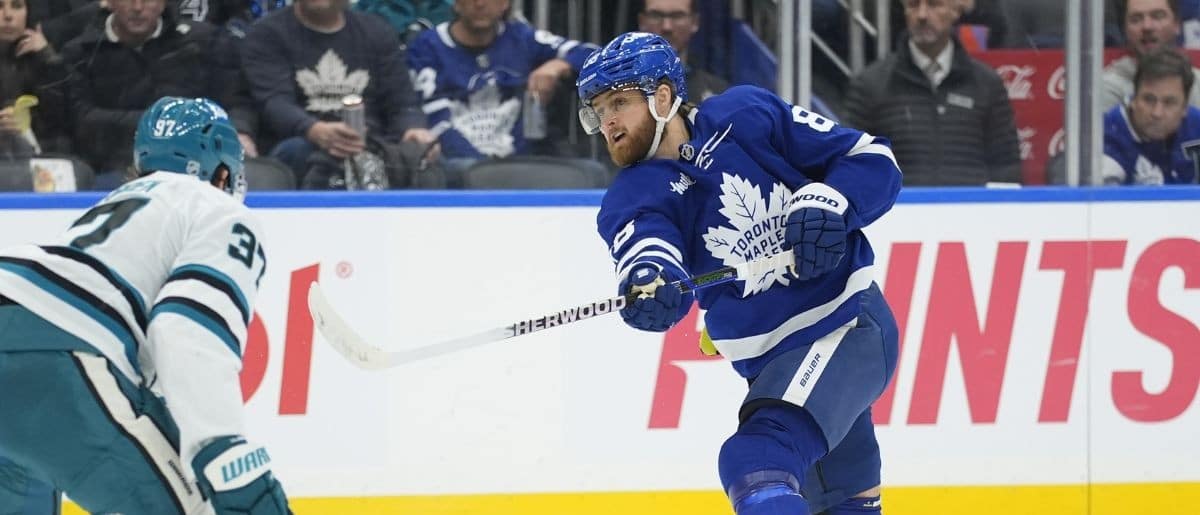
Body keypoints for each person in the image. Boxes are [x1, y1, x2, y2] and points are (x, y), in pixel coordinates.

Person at [578, 32, 902, 514]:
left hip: (846, 325)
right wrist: (652, 280)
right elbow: (648, 248)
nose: (608, 122)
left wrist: (830, 201)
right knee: (840, 500)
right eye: (598, 110)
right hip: (773, 367)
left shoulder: (745, 115)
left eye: (619, 102)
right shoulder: (632, 195)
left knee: (756, 460)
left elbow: (872, 159)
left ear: (663, 96)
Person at [0, 97, 291, 514]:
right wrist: (223, 453)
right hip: (53, 347)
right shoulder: (218, 208)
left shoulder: (113, 207)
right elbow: (186, 329)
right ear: (223, 170)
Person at [60, 0, 256, 189]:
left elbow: (236, 99)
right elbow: (83, 120)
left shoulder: (203, 41)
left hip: (199, 161)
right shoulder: (80, 52)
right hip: (113, 166)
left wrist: (239, 129)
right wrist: (171, 127)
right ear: (109, 2)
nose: (137, 7)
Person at [406, 0, 601, 187]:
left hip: (522, 161)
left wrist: (560, 65)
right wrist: (489, 170)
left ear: (505, 3)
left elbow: (600, 57)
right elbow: (437, 123)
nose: (480, 3)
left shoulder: (523, 38)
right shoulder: (428, 47)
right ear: (456, 3)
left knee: (594, 172)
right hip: (458, 164)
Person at [242, 0, 434, 188]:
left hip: (373, 143)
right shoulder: (266, 34)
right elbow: (274, 102)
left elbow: (402, 103)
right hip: (302, 142)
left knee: (426, 160)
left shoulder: (377, 32)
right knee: (298, 151)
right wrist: (314, 130)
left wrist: (413, 128)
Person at [845, 0, 1021, 186]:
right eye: (913, 5)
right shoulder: (871, 84)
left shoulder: (987, 84)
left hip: (972, 210)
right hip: (897, 211)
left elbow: (1006, 165)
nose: (922, 15)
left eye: (934, 4)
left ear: (956, 11)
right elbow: (851, 161)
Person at [1102, 49, 1200, 184]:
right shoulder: (1107, 136)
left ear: (1184, 107)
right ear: (1134, 98)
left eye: (1169, 102)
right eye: (1148, 99)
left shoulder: (1196, 126)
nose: (1157, 113)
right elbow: (1104, 202)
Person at [1101, 0, 1200, 110]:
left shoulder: (1198, 83)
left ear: (1177, 24)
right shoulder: (1106, 87)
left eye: (1157, 16)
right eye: (1136, 19)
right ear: (1125, 30)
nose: (1147, 27)